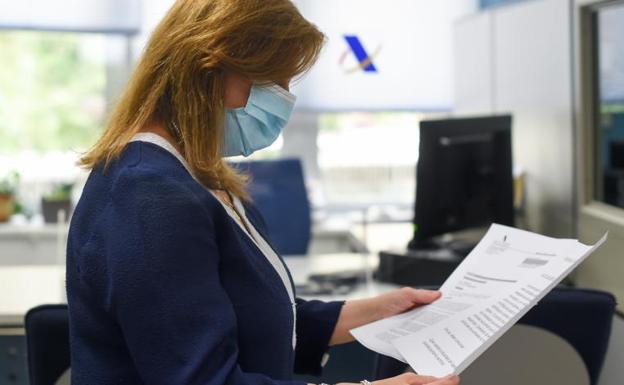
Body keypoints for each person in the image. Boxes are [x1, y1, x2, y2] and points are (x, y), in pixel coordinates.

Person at [66, 1, 461, 385]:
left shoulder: (201, 178)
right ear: (211, 69)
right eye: (275, 81)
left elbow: (254, 318)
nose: (285, 99)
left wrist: (382, 311)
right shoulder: (148, 196)